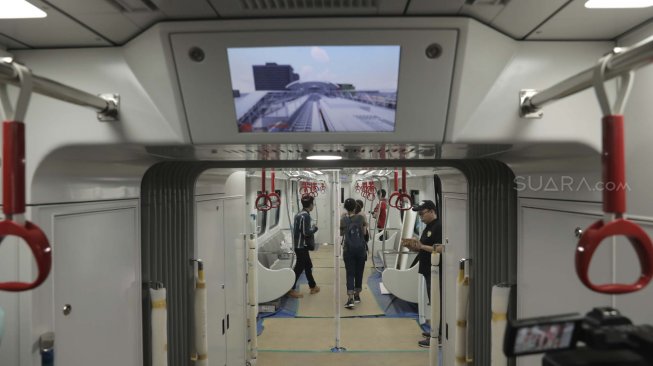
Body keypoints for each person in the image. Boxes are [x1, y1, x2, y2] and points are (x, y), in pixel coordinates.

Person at [401, 200, 442, 348]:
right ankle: (436, 331)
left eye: (422, 214)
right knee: (434, 302)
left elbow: (440, 249)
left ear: (432, 211)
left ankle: (439, 337)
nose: (421, 217)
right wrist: (414, 246)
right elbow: (424, 247)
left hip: (436, 272)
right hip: (427, 270)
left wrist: (422, 246)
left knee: (438, 303)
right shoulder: (428, 227)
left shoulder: (439, 227)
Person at [287, 195, 320, 298]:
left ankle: (313, 286)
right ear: (310, 205)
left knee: (308, 266)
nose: (313, 205)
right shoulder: (305, 215)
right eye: (313, 204)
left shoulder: (299, 214)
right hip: (301, 246)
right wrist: (314, 228)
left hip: (300, 245)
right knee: (299, 268)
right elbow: (306, 232)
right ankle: (291, 289)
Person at [340, 198, 368, 309]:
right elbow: (365, 232)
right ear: (355, 207)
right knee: (359, 272)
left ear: (346, 208)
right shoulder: (361, 218)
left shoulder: (343, 220)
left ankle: (350, 298)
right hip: (361, 249)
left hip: (349, 250)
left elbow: (342, 233)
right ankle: (357, 295)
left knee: (350, 273)